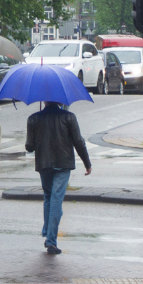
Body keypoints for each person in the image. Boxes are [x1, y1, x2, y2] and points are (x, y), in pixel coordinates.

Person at [25, 101, 93, 254]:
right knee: (56, 199)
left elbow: (29, 146)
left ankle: (48, 232)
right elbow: (78, 141)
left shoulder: (33, 119)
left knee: (48, 197)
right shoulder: (69, 117)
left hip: (44, 164)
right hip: (63, 163)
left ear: (44, 101)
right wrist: (87, 163)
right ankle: (51, 241)